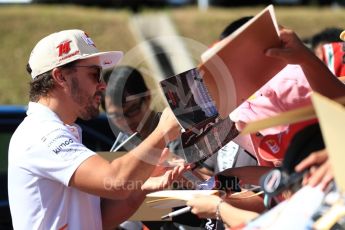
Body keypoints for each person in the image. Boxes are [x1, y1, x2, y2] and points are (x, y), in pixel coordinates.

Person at [7, 29, 187, 230]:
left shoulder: (52, 131)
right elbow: (116, 181)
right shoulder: (42, 134)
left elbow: (100, 219)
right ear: (60, 77)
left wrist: (140, 188)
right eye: (94, 74)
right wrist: (163, 130)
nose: (102, 85)